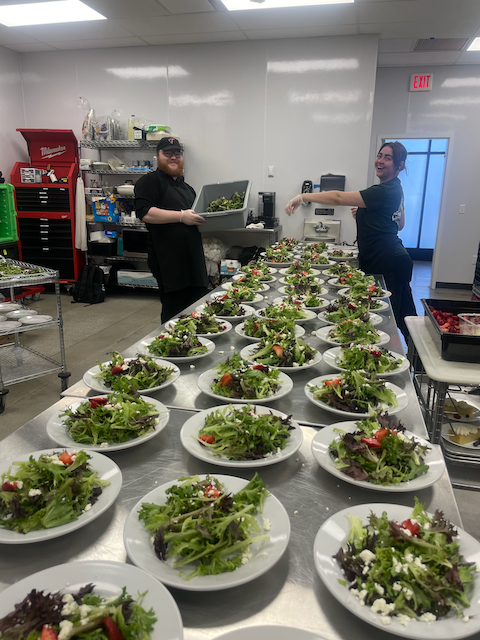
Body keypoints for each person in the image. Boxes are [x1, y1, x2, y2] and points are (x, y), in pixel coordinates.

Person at [285, 141, 416, 340]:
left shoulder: (384, 191)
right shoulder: (395, 188)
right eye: (380, 155)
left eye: (388, 158)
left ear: (399, 166)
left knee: (386, 321)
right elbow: (399, 224)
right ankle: (420, 365)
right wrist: (367, 214)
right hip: (390, 258)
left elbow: (338, 197)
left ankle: (392, 364)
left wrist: (302, 197)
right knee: (406, 319)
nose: (380, 161)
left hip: (388, 261)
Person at [135, 137, 209, 323]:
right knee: (174, 310)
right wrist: (181, 216)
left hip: (193, 257)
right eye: (167, 153)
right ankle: (171, 346)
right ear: (158, 156)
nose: (173, 157)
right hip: (169, 260)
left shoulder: (188, 189)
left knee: (196, 305)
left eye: (177, 153)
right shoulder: (149, 182)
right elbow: (145, 213)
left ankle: (193, 345)